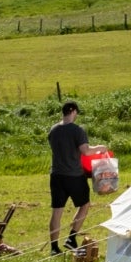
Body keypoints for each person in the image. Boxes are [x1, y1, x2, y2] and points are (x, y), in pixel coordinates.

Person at [46, 101, 91, 252]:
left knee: (57, 212)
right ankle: (71, 238)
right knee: (84, 205)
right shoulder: (77, 130)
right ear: (72, 111)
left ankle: (54, 247)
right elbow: (85, 151)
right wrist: (100, 148)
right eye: (76, 112)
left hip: (56, 175)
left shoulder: (53, 130)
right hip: (74, 175)